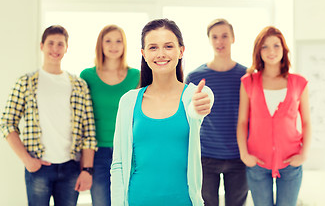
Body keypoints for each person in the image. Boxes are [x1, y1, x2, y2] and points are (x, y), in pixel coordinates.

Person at [110, 18, 214, 206]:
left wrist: (199, 108)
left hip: (183, 201)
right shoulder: (128, 101)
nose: (161, 54)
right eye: (153, 48)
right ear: (143, 54)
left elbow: (203, 102)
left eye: (168, 46)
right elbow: (117, 164)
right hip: (137, 200)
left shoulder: (194, 96)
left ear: (181, 51)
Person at [0, 25, 97, 206]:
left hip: (71, 167)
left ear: (66, 48)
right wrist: (27, 160)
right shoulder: (26, 82)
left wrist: (87, 170)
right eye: (50, 43)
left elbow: (89, 131)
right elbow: (7, 123)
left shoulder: (79, 85)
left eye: (60, 44)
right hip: (38, 168)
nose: (55, 49)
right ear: (42, 46)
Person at [236, 26, 311, 206]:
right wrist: (244, 154)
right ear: (258, 51)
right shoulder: (249, 82)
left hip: (291, 161)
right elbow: (242, 122)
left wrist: (304, 154)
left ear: (284, 49)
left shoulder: (299, 82)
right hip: (257, 162)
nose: (271, 51)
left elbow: (307, 122)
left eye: (276, 46)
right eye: (265, 46)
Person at [185, 18, 248, 206]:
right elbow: (188, 118)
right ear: (209, 40)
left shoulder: (246, 76)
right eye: (215, 37)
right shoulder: (195, 77)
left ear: (233, 38)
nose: (220, 41)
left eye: (224, 36)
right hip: (205, 157)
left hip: (239, 157)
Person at [80, 25, 140, 206]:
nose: (113, 45)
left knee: (129, 201)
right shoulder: (87, 75)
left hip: (128, 150)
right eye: (108, 41)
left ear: (124, 45)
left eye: (118, 41)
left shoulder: (136, 75)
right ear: (101, 45)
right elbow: (82, 119)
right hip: (97, 153)